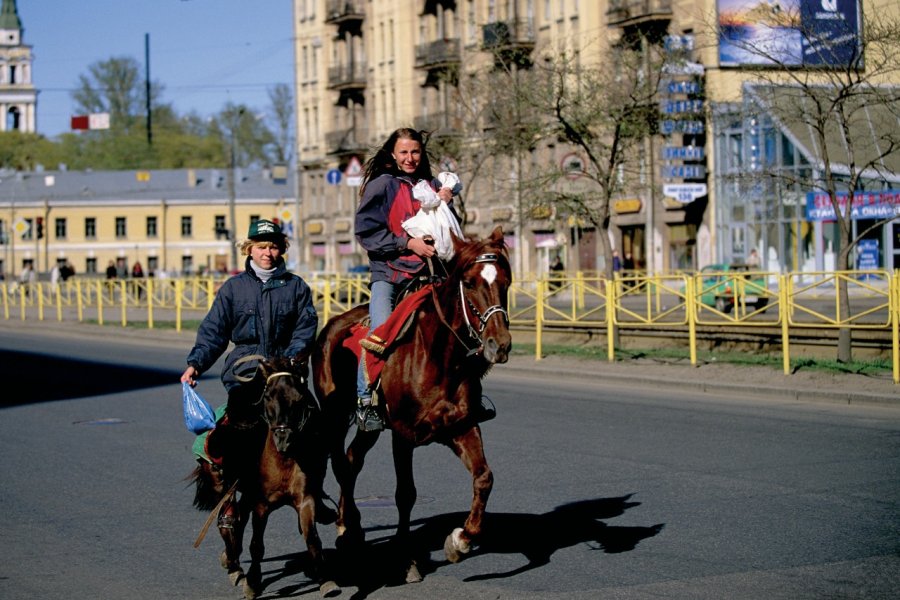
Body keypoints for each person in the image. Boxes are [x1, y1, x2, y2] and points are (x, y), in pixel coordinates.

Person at [354, 127, 492, 432]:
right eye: (403, 152)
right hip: (390, 276)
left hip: (432, 274)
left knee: (467, 325)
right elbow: (366, 232)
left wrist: (446, 201)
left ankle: (473, 395)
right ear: (393, 154)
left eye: (415, 152)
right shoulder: (381, 186)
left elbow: (444, 225)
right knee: (379, 331)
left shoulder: (430, 184)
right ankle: (365, 402)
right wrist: (408, 243)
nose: (409, 158)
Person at [180, 219, 318, 523]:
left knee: (312, 421)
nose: (267, 253)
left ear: (281, 249)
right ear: (249, 249)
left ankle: (314, 492)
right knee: (237, 429)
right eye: (261, 247)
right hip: (245, 371)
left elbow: (306, 326)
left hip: (284, 372)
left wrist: (292, 360)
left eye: (272, 246)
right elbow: (214, 331)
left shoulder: (295, 286)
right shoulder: (234, 288)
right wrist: (196, 363)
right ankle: (229, 497)